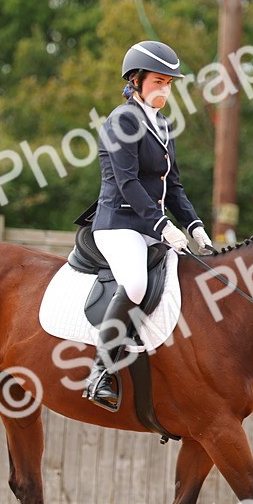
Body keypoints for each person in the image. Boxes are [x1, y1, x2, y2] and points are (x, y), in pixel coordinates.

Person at [77, 40, 211, 410]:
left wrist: (196, 226)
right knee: (135, 282)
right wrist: (163, 226)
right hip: (118, 223)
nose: (164, 89)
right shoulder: (122, 120)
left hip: (151, 225)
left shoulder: (163, 125)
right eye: (157, 81)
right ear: (135, 81)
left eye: (169, 83)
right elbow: (129, 183)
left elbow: (174, 185)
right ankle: (100, 372)